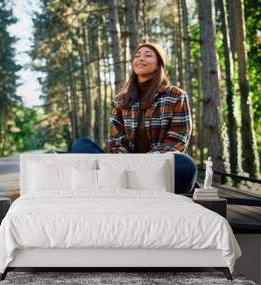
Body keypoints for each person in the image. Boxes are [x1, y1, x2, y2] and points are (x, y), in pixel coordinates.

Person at [71, 42, 197, 194]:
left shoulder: (176, 96)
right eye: (137, 56)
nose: (141, 59)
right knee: (80, 145)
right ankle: (127, 185)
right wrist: (128, 164)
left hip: (159, 169)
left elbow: (177, 140)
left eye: (148, 55)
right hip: (124, 168)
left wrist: (143, 164)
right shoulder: (120, 101)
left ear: (159, 64)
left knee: (185, 165)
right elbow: (117, 142)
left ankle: (124, 187)